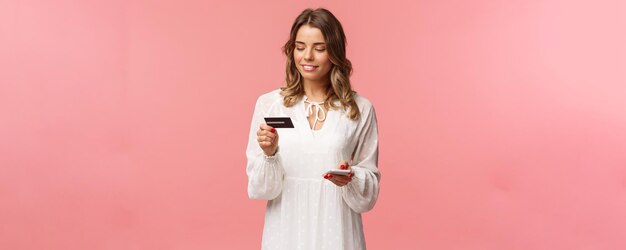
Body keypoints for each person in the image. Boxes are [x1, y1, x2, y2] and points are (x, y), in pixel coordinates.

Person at [245, 8, 380, 250]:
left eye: (319, 48)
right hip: (285, 230)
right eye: (299, 47)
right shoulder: (271, 105)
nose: (307, 56)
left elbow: (368, 194)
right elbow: (260, 189)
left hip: (337, 231)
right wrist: (269, 154)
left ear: (335, 52)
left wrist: (352, 177)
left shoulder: (359, 108)